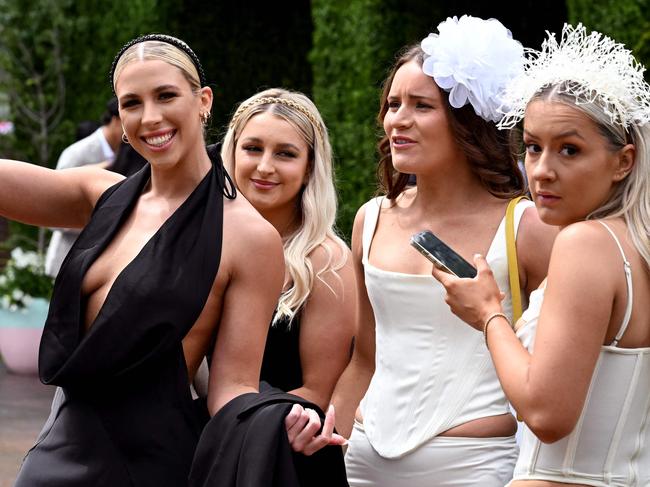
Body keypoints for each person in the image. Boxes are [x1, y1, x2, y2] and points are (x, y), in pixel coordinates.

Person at [6, 34, 285, 487]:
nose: (150, 117)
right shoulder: (103, 195)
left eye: (166, 96)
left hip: (147, 466)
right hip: (58, 451)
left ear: (203, 101)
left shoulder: (251, 238)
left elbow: (232, 386)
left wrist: (283, 419)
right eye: (131, 103)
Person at [292, 15, 557, 485]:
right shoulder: (370, 219)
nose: (397, 119)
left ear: (468, 122)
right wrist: (329, 425)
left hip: (474, 467)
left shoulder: (526, 225)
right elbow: (366, 359)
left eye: (420, 105)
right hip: (364, 464)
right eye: (393, 104)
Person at [433, 23, 650, 486]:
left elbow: (547, 413)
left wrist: (489, 314)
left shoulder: (586, 244)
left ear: (623, 161)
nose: (542, 171)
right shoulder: (637, 247)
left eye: (569, 150)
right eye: (532, 147)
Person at [214, 88, 355, 410]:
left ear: (309, 167)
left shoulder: (327, 262)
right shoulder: (199, 241)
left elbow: (321, 392)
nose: (265, 166)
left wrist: (241, 428)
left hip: (272, 440)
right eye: (252, 148)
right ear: (232, 153)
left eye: (285, 154)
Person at [44, 97, 123, 277]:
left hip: (106, 266)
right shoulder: (77, 154)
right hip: (70, 263)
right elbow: (52, 213)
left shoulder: (129, 151)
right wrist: (102, 224)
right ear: (116, 120)